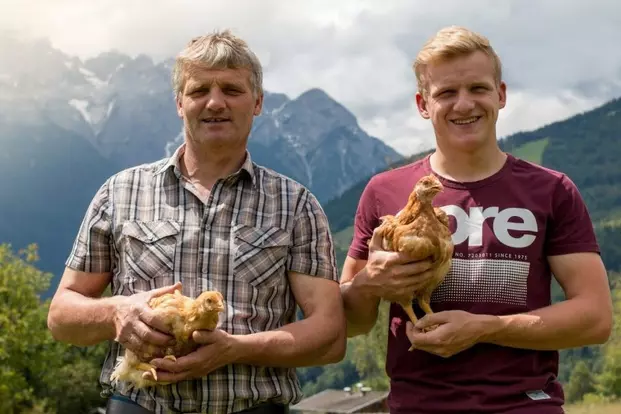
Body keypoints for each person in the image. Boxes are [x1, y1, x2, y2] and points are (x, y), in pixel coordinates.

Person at [47, 30, 346, 414]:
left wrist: (235, 350)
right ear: (179, 103)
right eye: (200, 89)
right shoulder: (120, 192)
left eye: (232, 90)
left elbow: (330, 335)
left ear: (257, 103)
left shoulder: (296, 205)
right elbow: (61, 316)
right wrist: (116, 311)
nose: (215, 102)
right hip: (138, 405)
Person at [340, 25, 613, 414]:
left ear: (500, 95)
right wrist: (370, 284)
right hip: (418, 406)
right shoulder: (383, 191)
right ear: (422, 104)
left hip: (525, 405)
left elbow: (595, 319)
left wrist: (487, 328)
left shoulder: (552, 190)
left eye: (478, 89)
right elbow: (350, 323)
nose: (464, 104)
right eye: (447, 93)